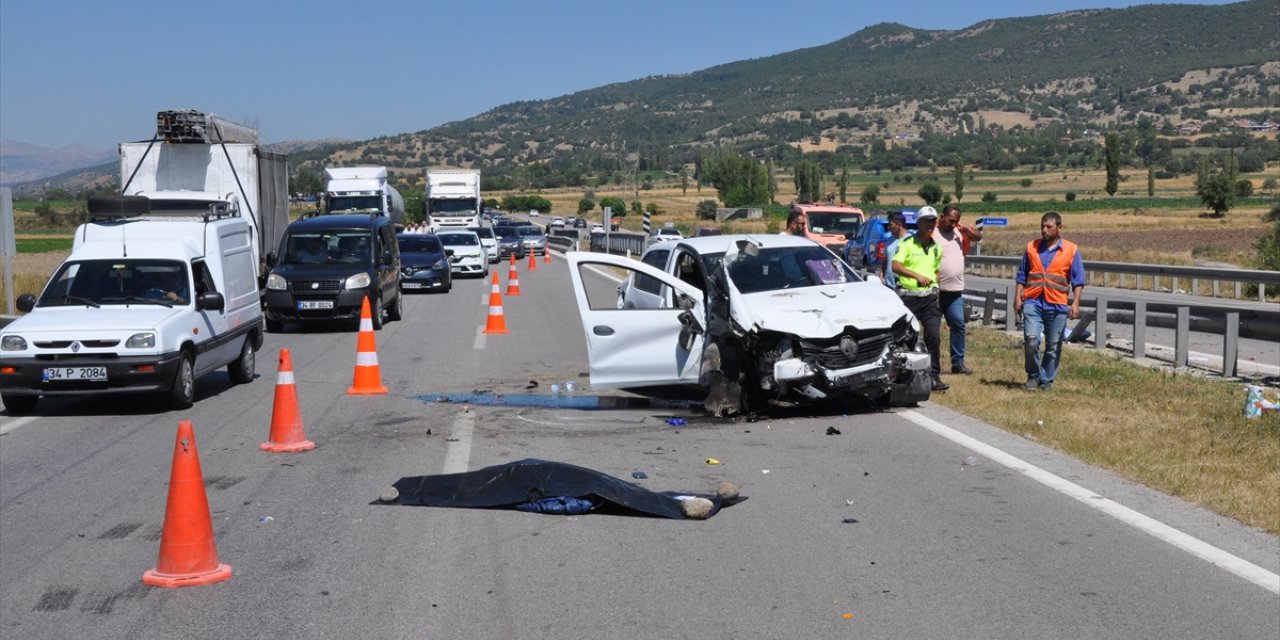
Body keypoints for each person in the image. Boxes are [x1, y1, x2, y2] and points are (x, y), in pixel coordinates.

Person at [1014, 212, 1085, 392]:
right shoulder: (1031, 247)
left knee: (1053, 346)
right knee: (1031, 341)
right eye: (1042, 226)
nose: (1044, 230)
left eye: (1049, 227)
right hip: (1033, 301)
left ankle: (1047, 379)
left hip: (1057, 304)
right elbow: (1022, 275)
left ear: (1059, 228)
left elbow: (1078, 281)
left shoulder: (1071, 250)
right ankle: (1033, 376)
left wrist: (1075, 303)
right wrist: (1017, 297)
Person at [891, 208, 947, 391]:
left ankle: (934, 376)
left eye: (933, 221)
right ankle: (903, 374)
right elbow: (895, 266)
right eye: (926, 221)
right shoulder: (907, 244)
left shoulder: (937, 248)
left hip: (929, 298)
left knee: (933, 336)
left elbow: (936, 272)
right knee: (905, 338)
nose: (930, 224)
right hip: (909, 297)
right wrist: (916, 276)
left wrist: (936, 291)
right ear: (918, 223)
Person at [934, 204, 984, 375]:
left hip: (954, 292)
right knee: (933, 331)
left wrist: (967, 231)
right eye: (950, 221)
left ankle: (958, 363)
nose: (952, 224)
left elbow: (978, 237)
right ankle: (932, 365)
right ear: (941, 217)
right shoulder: (932, 234)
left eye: (956, 222)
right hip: (936, 292)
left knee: (958, 324)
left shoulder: (958, 233)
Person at [879, 211, 910, 290]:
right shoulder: (889, 241)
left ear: (899, 225)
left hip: (905, 287)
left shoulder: (911, 241)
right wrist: (881, 278)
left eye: (890, 225)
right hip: (889, 286)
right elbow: (885, 262)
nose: (888, 227)